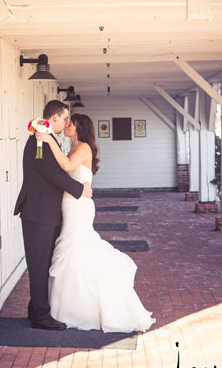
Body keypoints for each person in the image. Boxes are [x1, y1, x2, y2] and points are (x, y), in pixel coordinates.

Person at [35, 113, 156, 333]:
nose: (67, 125)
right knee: (71, 249)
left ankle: (80, 310)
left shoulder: (83, 148)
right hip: (70, 204)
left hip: (79, 206)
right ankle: (68, 307)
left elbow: (68, 166)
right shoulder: (71, 146)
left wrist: (48, 139)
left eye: (71, 123)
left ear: (79, 128)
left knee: (76, 248)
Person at [13, 100, 93, 331]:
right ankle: (41, 316)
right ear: (54, 118)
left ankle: (35, 308)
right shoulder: (41, 140)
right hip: (39, 212)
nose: (66, 122)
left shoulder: (46, 139)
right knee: (39, 265)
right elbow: (52, 173)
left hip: (43, 212)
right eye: (65, 118)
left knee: (43, 263)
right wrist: (80, 190)